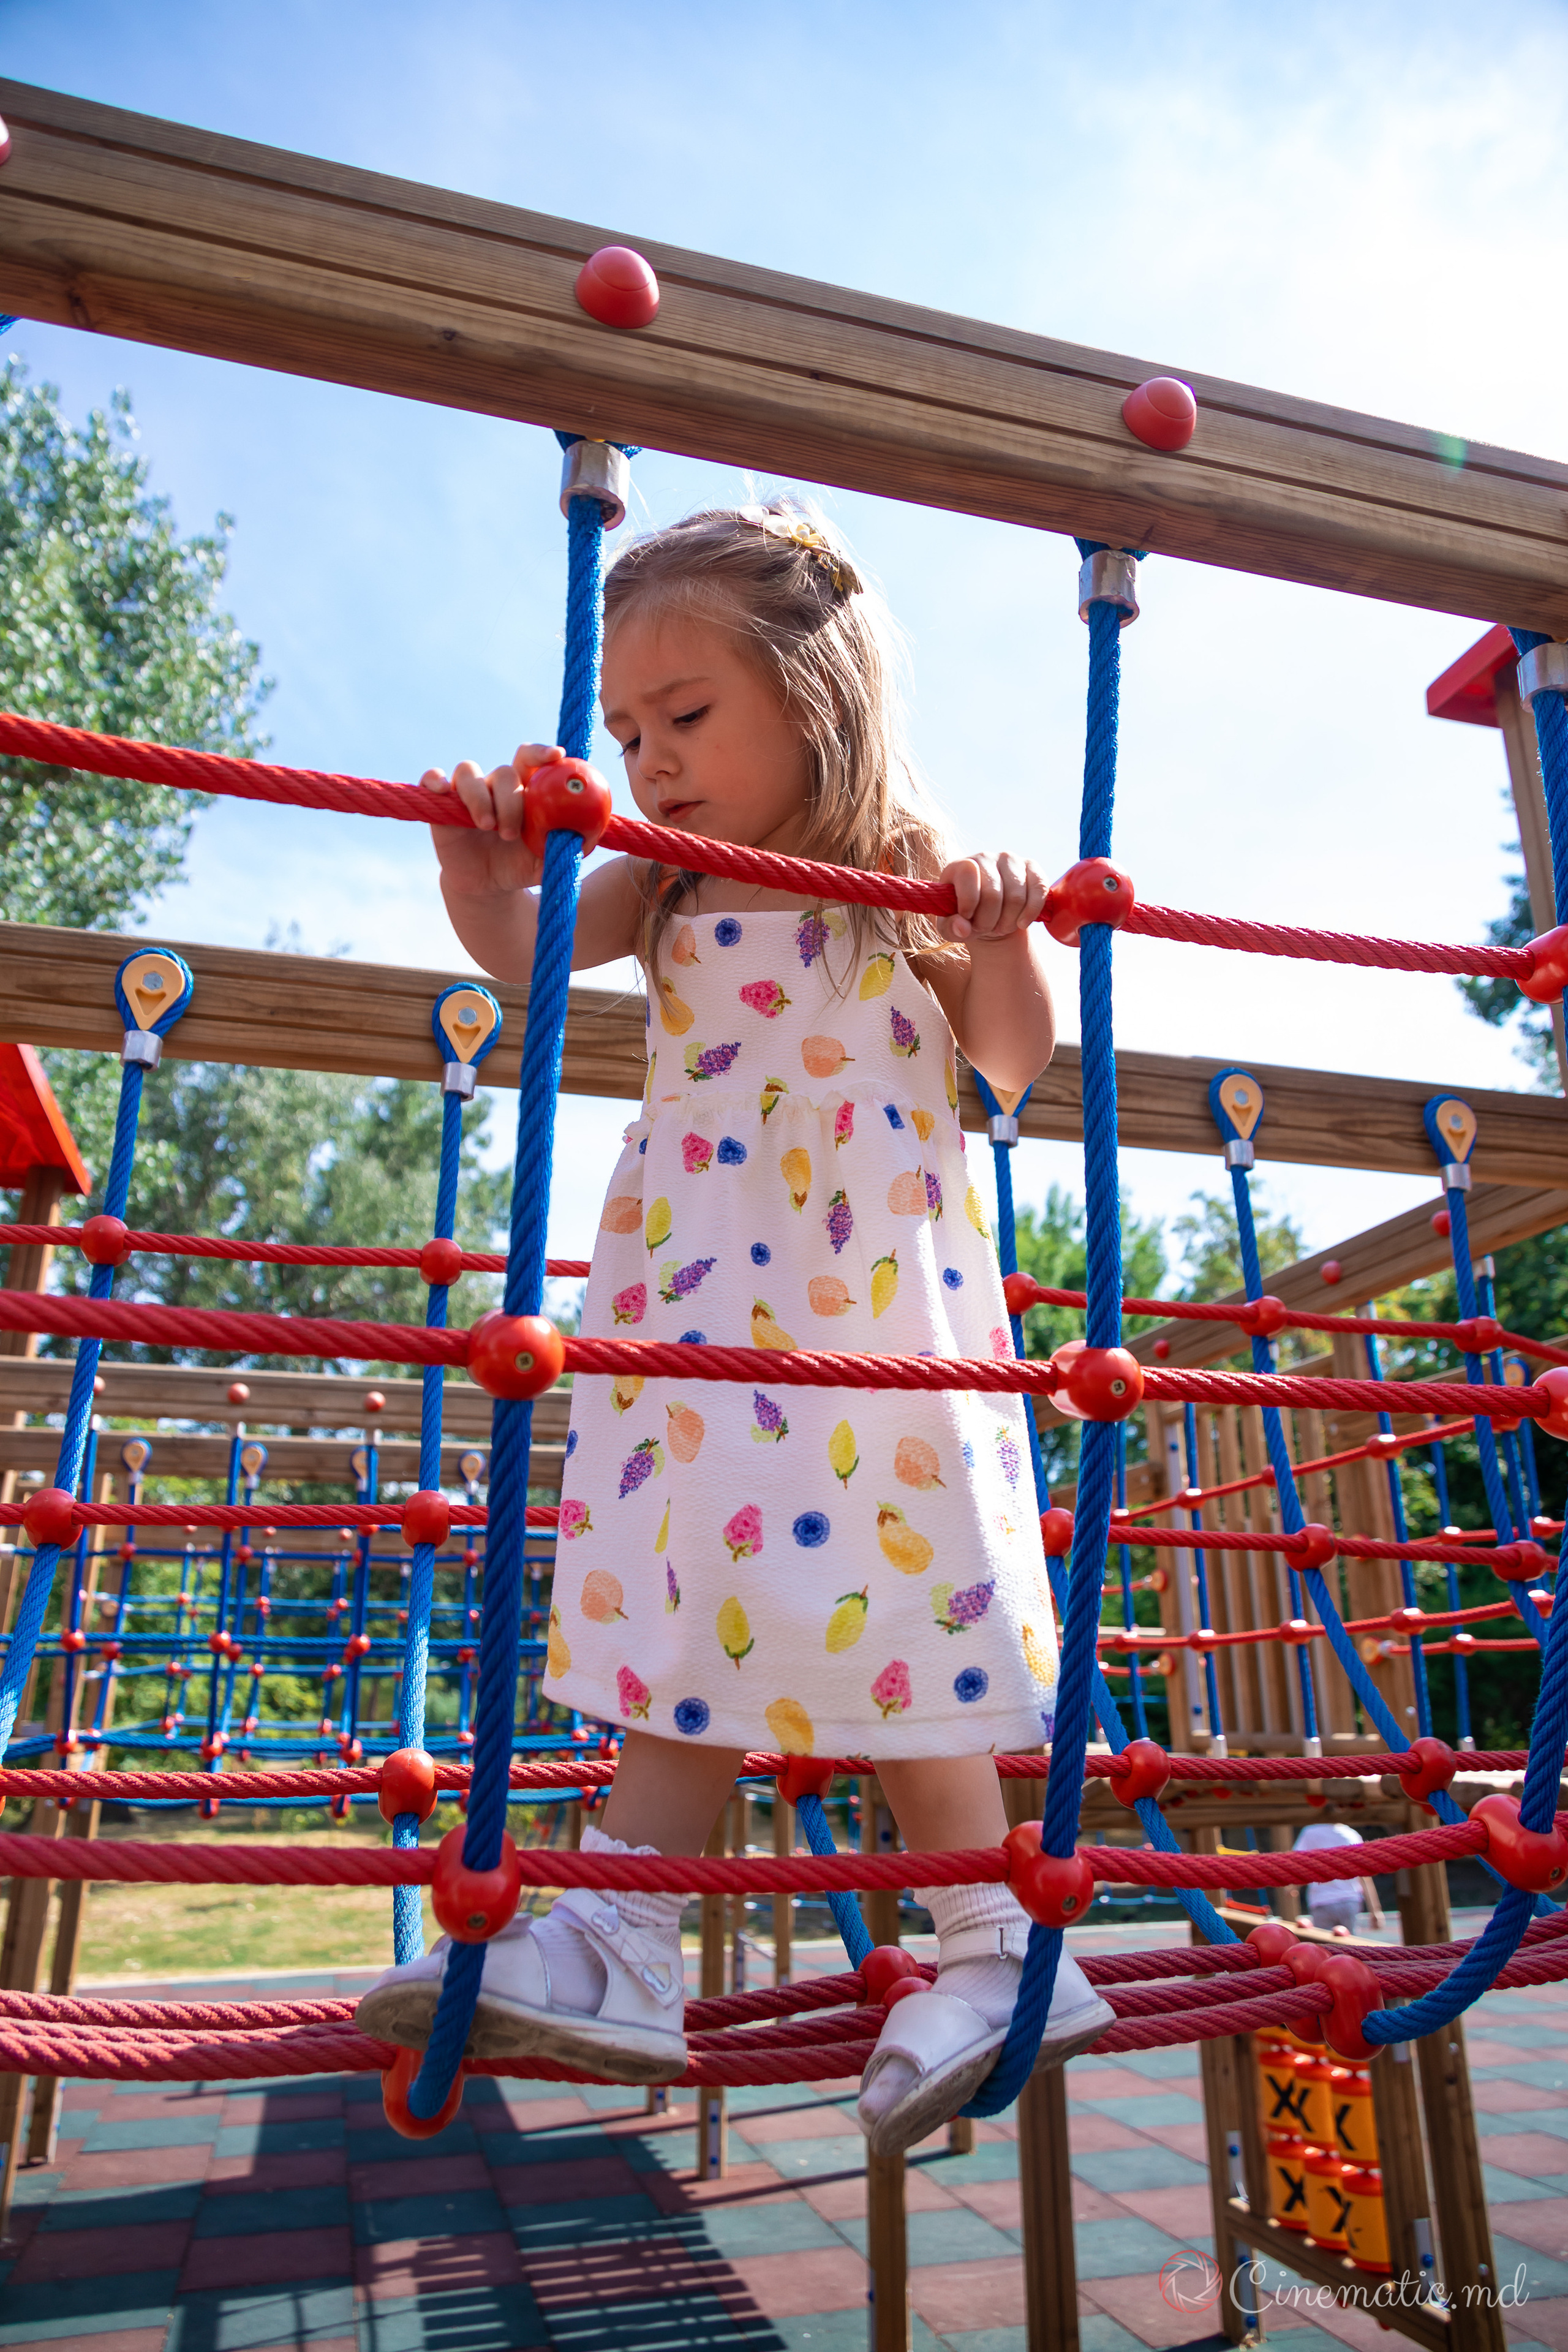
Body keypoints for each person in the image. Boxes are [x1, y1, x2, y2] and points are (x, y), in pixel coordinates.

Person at [357, 499, 1114, 2154]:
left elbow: (1009, 1063)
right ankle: (634, 1937)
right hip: (700, 1309)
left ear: (816, 695)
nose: (652, 762)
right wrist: (477, 869)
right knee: (687, 1578)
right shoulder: (666, 876)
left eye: (686, 716)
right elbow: (533, 951)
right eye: (629, 732)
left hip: (874, 1320)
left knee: (908, 1597)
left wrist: (1001, 936)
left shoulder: (905, 864)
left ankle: (995, 1946)